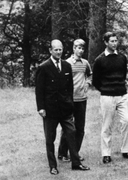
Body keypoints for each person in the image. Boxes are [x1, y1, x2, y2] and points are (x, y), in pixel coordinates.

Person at [35, 39, 90, 175]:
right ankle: (53, 166)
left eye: (60, 49)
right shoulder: (44, 67)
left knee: (71, 134)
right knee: (50, 139)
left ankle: (76, 163)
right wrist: (41, 108)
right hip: (50, 110)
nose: (58, 52)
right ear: (50, 50)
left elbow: (69, 87)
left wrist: (70, 103)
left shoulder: (66, 66)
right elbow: (39, 90)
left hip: (65, 109)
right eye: (56, 50)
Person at [92, 32, 128, 164]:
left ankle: (126, 150)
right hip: (107, 96)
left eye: (116, 40)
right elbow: (95, 81)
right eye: (111, 41)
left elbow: (122, 75)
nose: (114, 43)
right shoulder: (99, 60)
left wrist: (119, 88)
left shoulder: (122, 58)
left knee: (127, 120)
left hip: (122, 94)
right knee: (107, 125)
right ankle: (106, 153)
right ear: (106, 42)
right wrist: (105, 89)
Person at [58, 39, 92, 162]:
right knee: (68, 128)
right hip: (69, 100)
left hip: (82, 99)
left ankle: (75, 153)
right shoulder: (67, 63)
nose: (81, 50)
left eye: (82, 48)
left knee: (80, 128)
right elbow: (61, 81)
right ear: (74, 48)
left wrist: (87, 83)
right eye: (78, 48)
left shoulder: (85, 63)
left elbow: (90, 75)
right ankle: (62, 153)